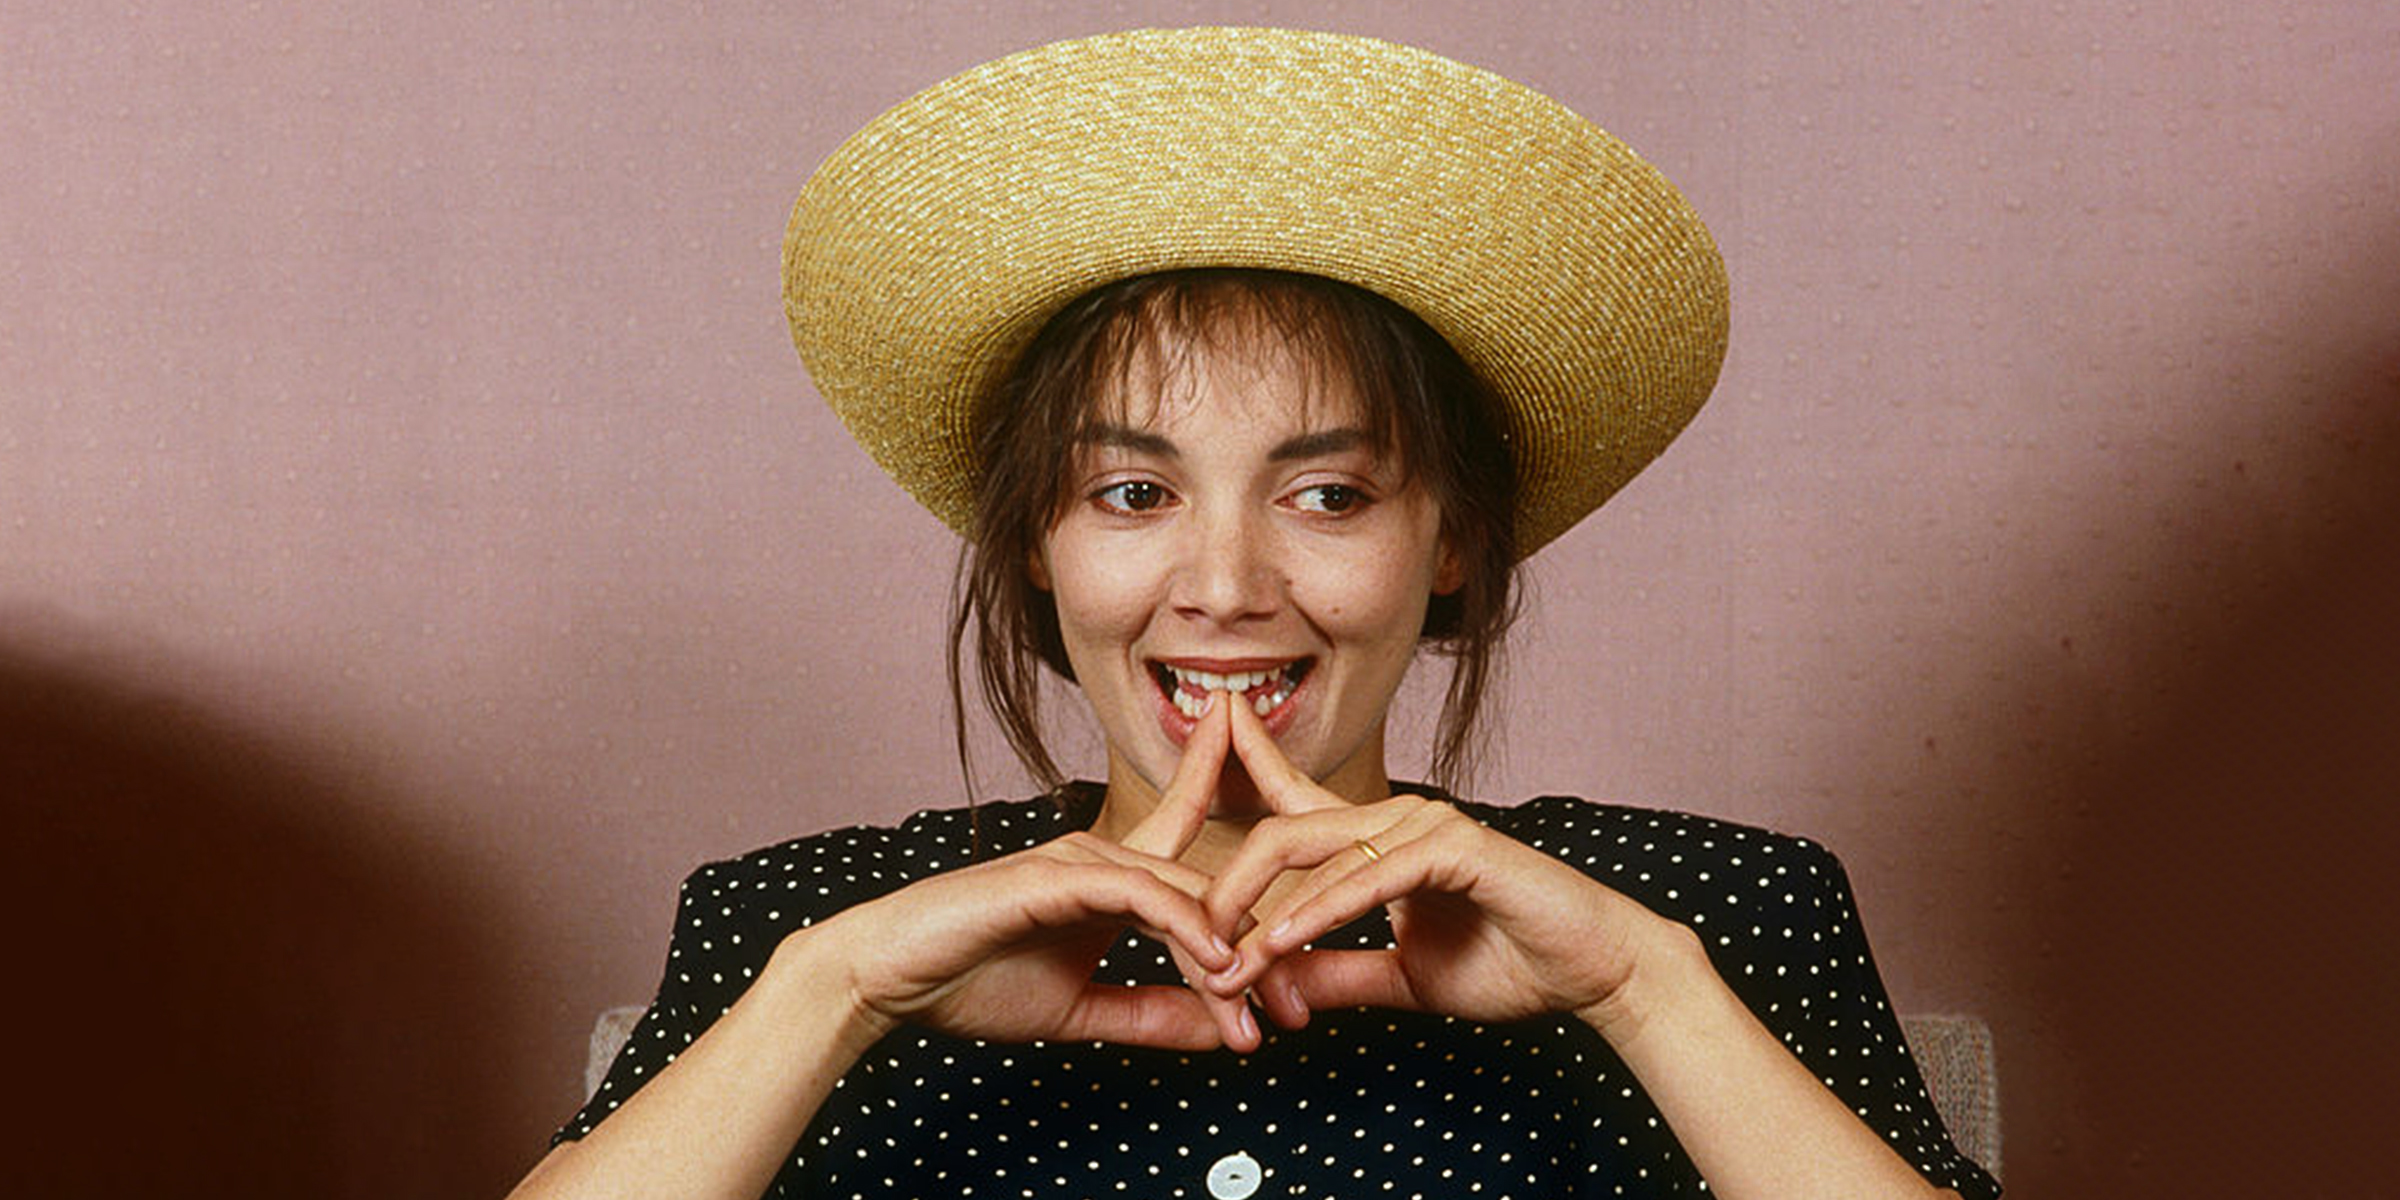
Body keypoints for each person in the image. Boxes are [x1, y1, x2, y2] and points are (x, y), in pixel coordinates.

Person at [508, 27, 2001, 1200]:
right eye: (1134, 496)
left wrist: (1641, 989)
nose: (1223, 588)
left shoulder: (1714, 914)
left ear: (1452, 542)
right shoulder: (798, 929)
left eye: (1329, 497)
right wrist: (827, 997)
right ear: (1035, 540)